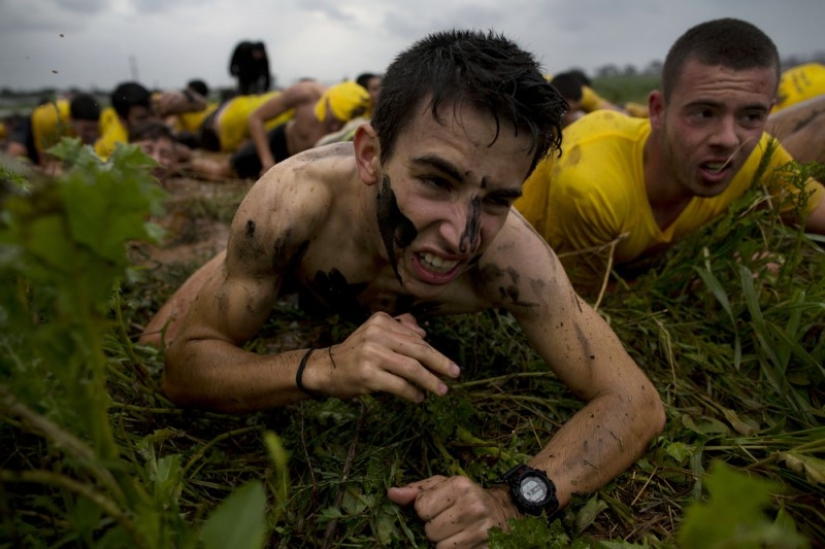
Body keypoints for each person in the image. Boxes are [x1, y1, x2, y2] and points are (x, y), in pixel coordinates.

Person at [140, 29, 665, 547]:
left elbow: (635, 401)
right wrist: (325, 366)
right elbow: (183, 368)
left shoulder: (514, 259)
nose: (462, 238)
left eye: (497, 200)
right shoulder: (292, 204)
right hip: (300, 254)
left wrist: (513, 500)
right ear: (370, 154)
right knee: (149, 345)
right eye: (437, 181)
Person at [514, 18, 825, 296]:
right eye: (704, 113)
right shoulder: (592, 184)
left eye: (751, 116)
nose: (728, 140)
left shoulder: (760, 157)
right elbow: (577, 304)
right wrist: (700, 280)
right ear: (658, 111)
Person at [192, 80, 370, 179]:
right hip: (279, 144)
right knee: (220, 174)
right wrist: (266, 160)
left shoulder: (363, 113)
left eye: (342, 124)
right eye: (333, 121)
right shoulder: (305, 93)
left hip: (305, 165)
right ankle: (184, 164)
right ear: (328, 102)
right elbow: (256, 118)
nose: (335, 128)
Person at [95, 81, 206, 160]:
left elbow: (202, 105)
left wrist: (184, 96)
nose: (152, 121)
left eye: (153, 114)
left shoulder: (153, 103)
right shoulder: (115, 146)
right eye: (142, 119)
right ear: (122, 120)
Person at [5, 93, 101, 166]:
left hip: (61, 131)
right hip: (35, 123)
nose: (91, 134)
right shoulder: (49, 119)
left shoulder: (99, 122)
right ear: (71, 120)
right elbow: (44, 160)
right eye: (87, 129)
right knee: (15, 152)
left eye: (94, 129)